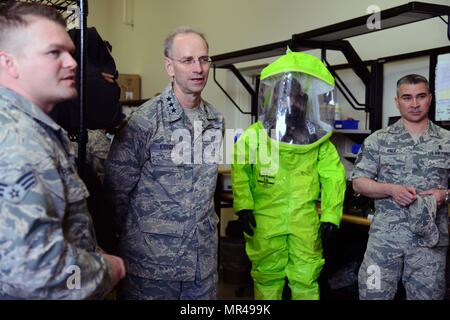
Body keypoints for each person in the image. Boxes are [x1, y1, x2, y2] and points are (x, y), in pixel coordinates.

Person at [0, 2, 125, 299]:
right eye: (54, 53)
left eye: (69, 52)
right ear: (9, 64)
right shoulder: (18, 140)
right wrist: (108, 269)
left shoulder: (33, 129)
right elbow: (33, 270)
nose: (72, 63)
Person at [104, 26, 224, 300]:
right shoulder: (145, 121)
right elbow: (116, 192)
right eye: (187, 60)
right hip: (152, 267)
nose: (198, 68)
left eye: (204, 59)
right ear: (170, 66)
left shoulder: (215, 121)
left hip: (201, 266)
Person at [231, 51, 346, 300]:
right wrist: (243, 206)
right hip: (265, 219)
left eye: (295, 98)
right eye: (284, 98)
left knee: (306, 277)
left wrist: (331, 214)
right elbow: (241, 172)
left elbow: (333, 177)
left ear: (303, 100)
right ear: (273, 99)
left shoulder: (317, 139)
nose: (290, 104)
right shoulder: (254, 136)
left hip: (304, 221)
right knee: (266, 276)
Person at [352, 74, 450, 300]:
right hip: (384, 241)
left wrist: (444, 194)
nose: (414, 104)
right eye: (407, 97)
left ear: (430, 98)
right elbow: (359, 181)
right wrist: (391, 189)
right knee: (372, 294)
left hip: (429, 245)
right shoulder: (379, 140)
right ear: (397, 101)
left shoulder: (446, 140)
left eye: (421, 96)